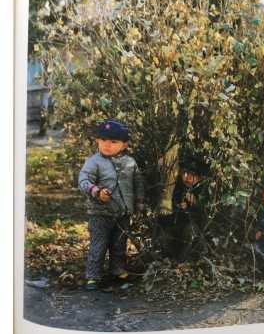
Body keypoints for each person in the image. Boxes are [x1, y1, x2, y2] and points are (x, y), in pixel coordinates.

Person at [78, 119, 144, 290]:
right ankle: (93, 275)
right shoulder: (94, 162)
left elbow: (138, 184)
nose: (107, 145)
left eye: (113, 142)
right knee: (98, 245)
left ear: (124, 145)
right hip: (100, 213)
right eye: (103, 140)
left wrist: (139, 203)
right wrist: (96, 191)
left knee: (119, 243)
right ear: (98, 141)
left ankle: (117, 269)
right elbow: (83, 180)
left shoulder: (130, 163)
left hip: (122, 213)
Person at [155, 152, 209, 261]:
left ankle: (182, 262)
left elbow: (204, 217)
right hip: (172, 227)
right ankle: (166, 260)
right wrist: (176, 206)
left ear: (200, 178)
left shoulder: (203, 191)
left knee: (191, 233)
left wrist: (194, 205)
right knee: (163, 237)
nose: (187, 177)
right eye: (184, 173)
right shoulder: (175, 186)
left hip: (189, 234)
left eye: (192, 175)